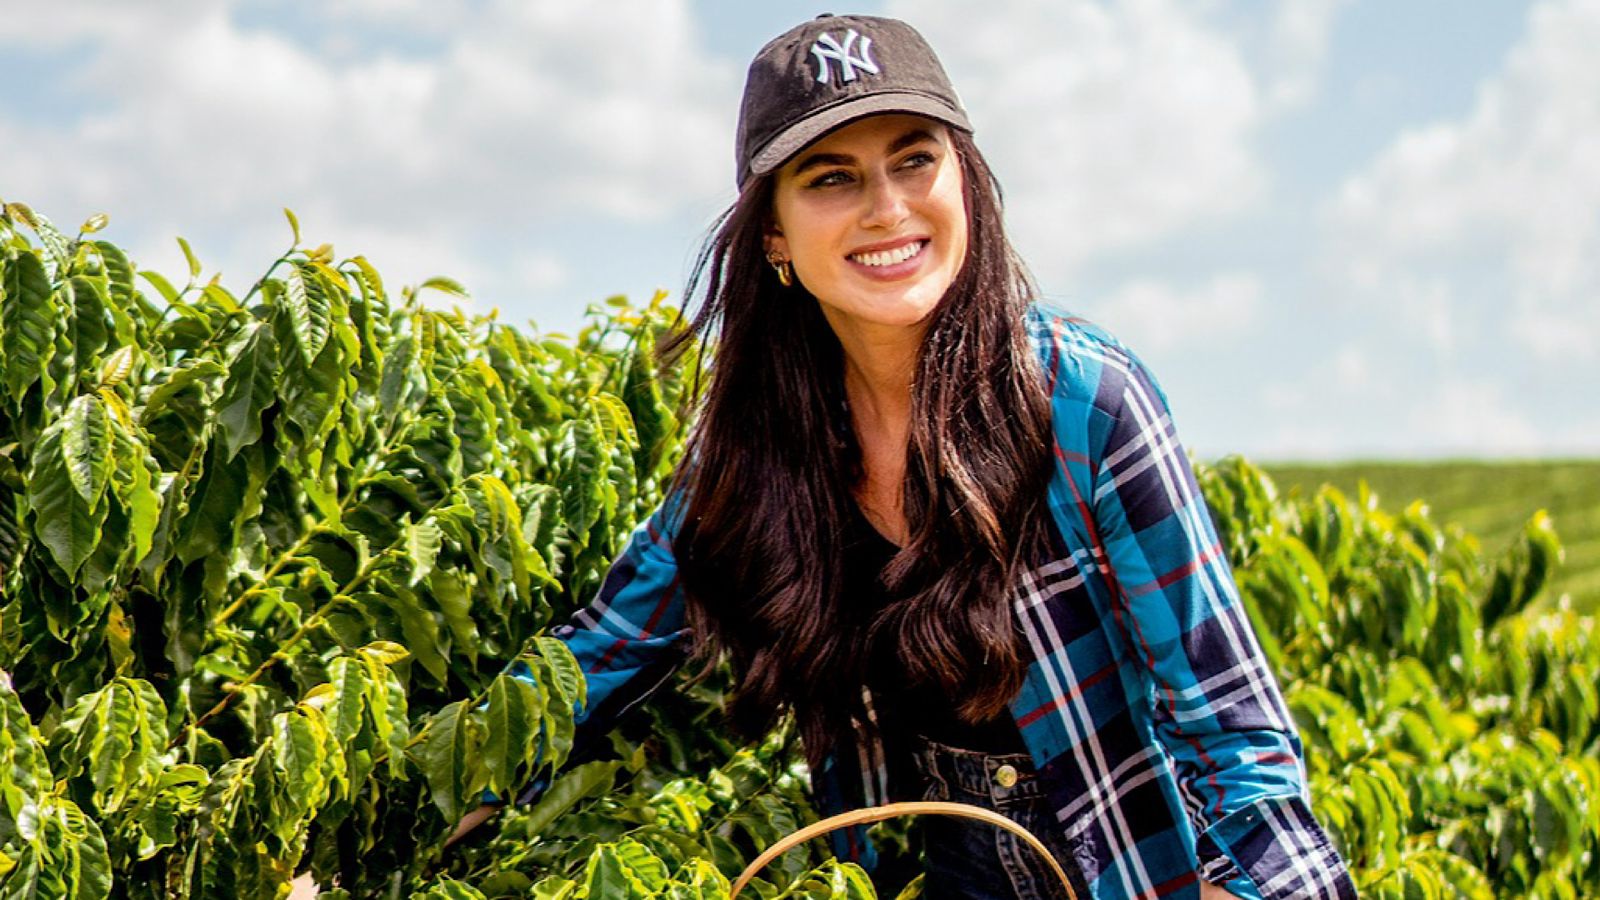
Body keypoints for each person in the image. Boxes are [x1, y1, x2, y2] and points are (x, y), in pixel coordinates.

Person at [460, 14, 1357, 900]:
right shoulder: (763, 451)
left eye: (914, 159)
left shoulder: (1085, 405)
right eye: (831, 178)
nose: (887, 207)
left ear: (965, 179)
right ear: (773, 235)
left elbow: (1237, 741)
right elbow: (600, 655)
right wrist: (386, 804)